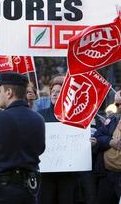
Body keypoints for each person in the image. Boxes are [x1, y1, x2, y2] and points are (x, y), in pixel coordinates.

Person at [0, 72, 45, 204]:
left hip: (1, 193)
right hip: (29, 191)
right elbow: (40, 149)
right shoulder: (38, 119)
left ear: (9, 92)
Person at [38, 76, 78, 204]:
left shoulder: (73, 115)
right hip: (46, 173)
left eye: (59, 91)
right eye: (53, 91)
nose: (55, 94)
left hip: (67, 172)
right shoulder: (41, 115)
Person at [93, 90, 121, 204]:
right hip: (108, 175)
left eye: (119, 104)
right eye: (116, 104)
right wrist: (110, 142)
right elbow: (98, 135)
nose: (118, 107)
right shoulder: (113, 119)